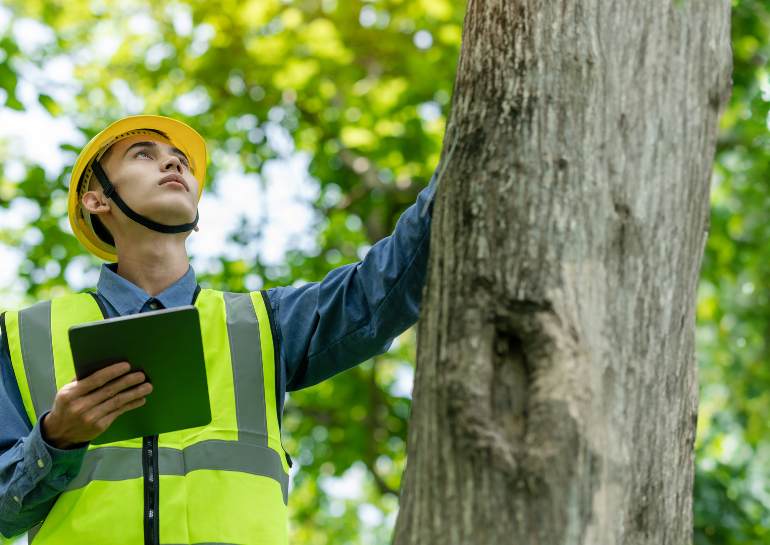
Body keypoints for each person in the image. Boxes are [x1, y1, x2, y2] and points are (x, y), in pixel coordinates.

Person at [0, 115, 437, 544]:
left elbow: (384, 286)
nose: (174, 165)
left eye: (181, 162)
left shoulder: (265, 323)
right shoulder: (23, 335)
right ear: (97, 200)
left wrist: (456, 164)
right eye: (143, 154)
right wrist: (56, 439)